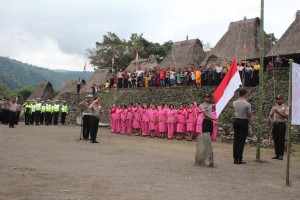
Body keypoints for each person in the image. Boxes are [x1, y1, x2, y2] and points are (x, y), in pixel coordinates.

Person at [233, 88, 252, 164]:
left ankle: (235, 158)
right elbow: (249, 114)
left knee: (236, 140)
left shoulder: (235, 102)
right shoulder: (247, 104)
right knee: (241, 140)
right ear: (245, 94)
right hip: (243, 120)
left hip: (236, 120)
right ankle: (239, 158)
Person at [269, 95, 289, 160]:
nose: (278, 100)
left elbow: (286, 116)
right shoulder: (274, 107)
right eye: (277, 99)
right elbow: (270, 115)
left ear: (283, 100)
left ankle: (281, 155)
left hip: (282, 124)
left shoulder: (285, 107)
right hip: (275, 124)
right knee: (276, 140)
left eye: (279, 99)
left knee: (281, 140)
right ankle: (277, 154)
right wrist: (272, 121)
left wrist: (278, 112)